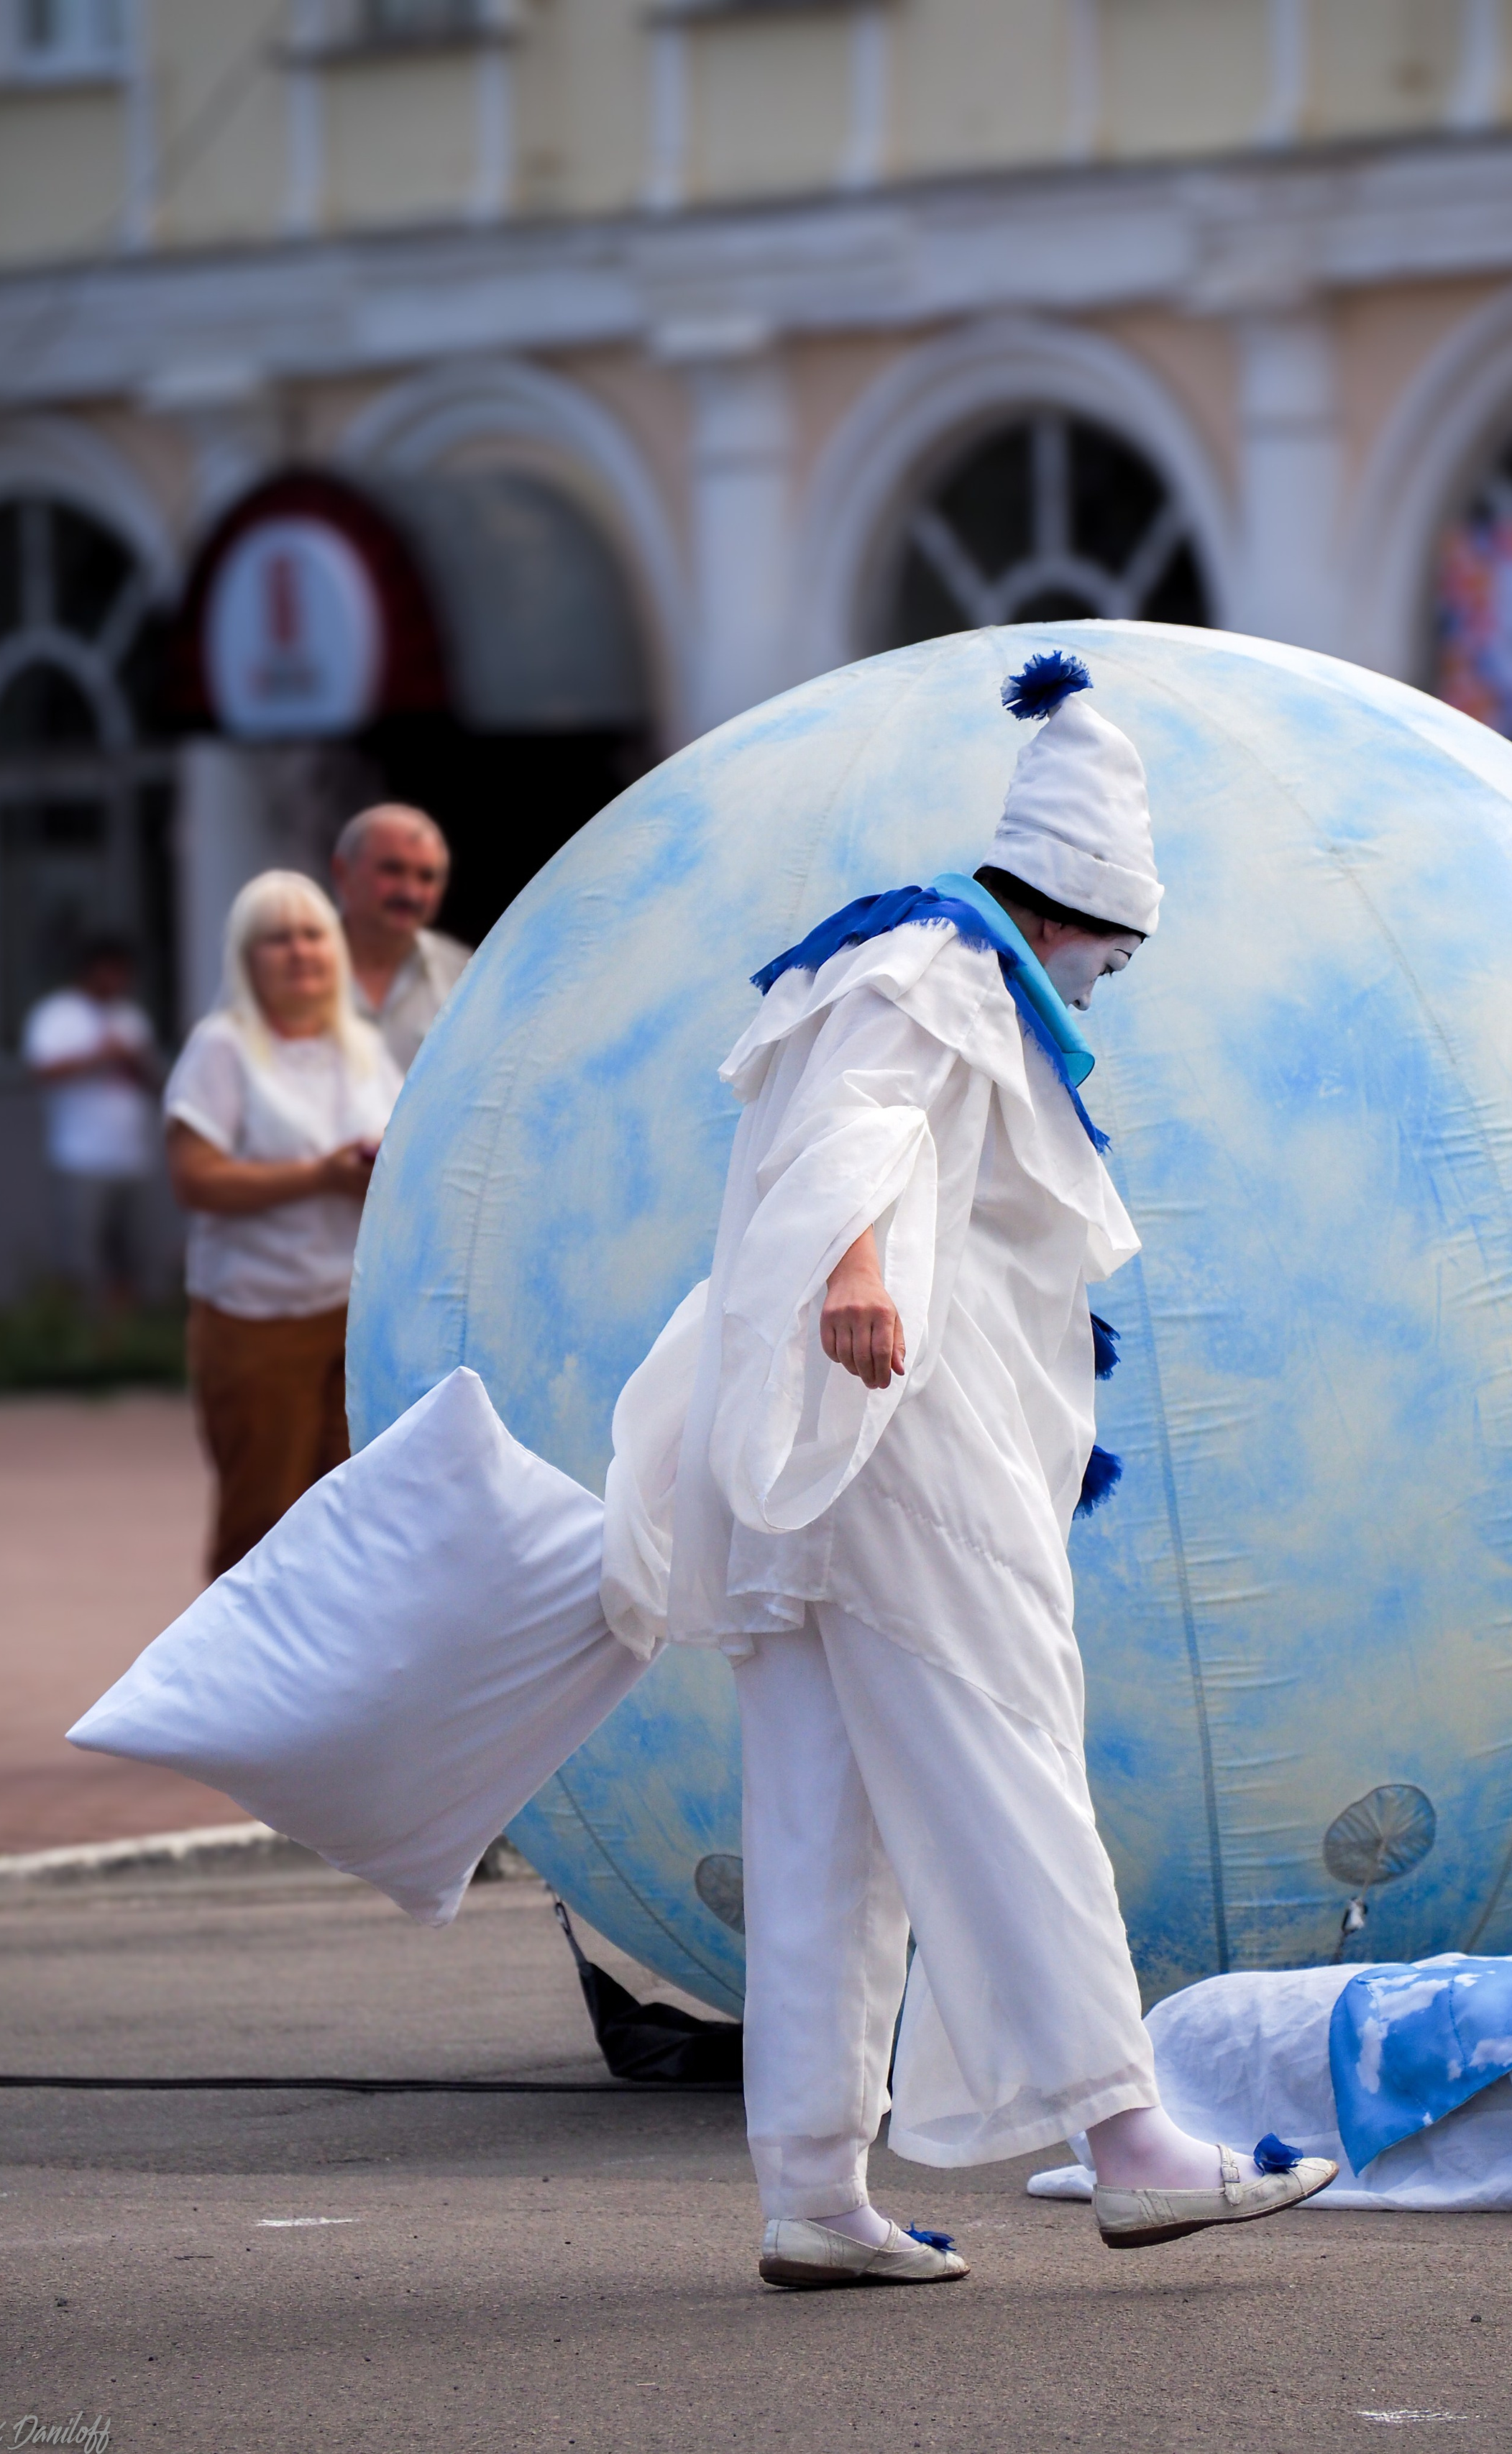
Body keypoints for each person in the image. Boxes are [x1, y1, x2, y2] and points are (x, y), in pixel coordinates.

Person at [600, 652, 1335, 2289]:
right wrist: (853, 1269)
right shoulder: (937, 962)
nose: (1104, 982)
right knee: (1011, 1758)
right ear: (1074, 905)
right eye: (1112, 950)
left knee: (823, 1827)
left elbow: (857, 1136)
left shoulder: (911, 964)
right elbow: (849, 1137)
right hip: (900, 1452)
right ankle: (1124, 2130)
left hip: (835, 1458)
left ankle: (810, 2189)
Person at [164, 871, 401, 1580]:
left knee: (348, 1513)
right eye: (277, 938)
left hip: (352, 1318)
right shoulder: (221, 1047)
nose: (299, 952)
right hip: (256, 1317)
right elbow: (194, 1178)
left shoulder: (361, 1045)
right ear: (245, 956)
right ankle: (234, 1687)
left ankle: (333, 1685)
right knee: (260, 1522)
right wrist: (318, 1176)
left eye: (312, 935)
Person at [22, 933, 162, 1311]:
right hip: (80, 1155)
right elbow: (42, 1071)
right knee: (80, 1257)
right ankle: (78, 1340)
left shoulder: (131, 1016)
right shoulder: (57, 1014)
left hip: (131, 1155)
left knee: (130, 1255)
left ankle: (124, 1339)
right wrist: (99, 1056)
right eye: (112, 971)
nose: (119, 981)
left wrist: (135, 1062)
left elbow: (153, 1081)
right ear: (91, 971)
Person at [331, 802, 470, 1074]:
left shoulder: (465, 976)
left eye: (427, 877)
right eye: (393, 870)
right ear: (342, 873)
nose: (410, 893)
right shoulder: (282, 967)